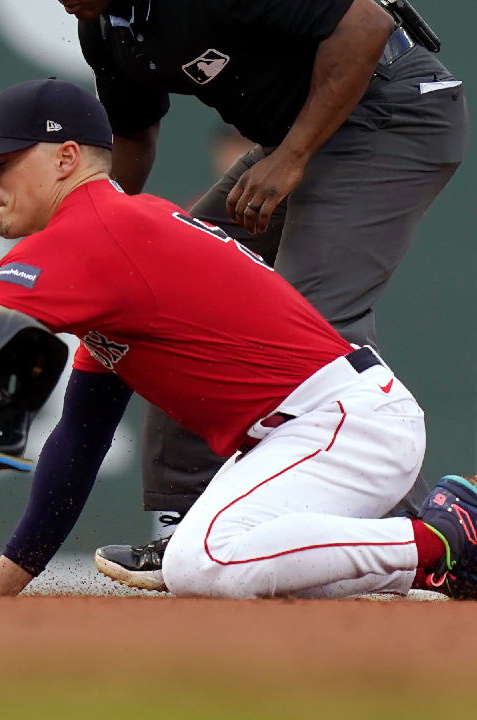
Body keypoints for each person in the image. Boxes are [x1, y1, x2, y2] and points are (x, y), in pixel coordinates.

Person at [0, 78, 477, 600]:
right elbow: (80, 437)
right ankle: (432, 551)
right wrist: (6, 580)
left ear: (65, 159)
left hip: (338, 423)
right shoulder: (112, 259)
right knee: (247, 576)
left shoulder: (96, 230)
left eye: (1, 160)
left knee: (203, 560)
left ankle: (441, 542)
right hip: (323, 427)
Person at [65, 0, 468, 589]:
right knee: (177, 289)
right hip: (306, 134)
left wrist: (291, 157)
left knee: (309, 333)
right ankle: (188, 518)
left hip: (392, 112)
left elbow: (366, 23)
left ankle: (438, 538)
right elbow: (130, 135)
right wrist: (89, 241)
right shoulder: (105, 26)